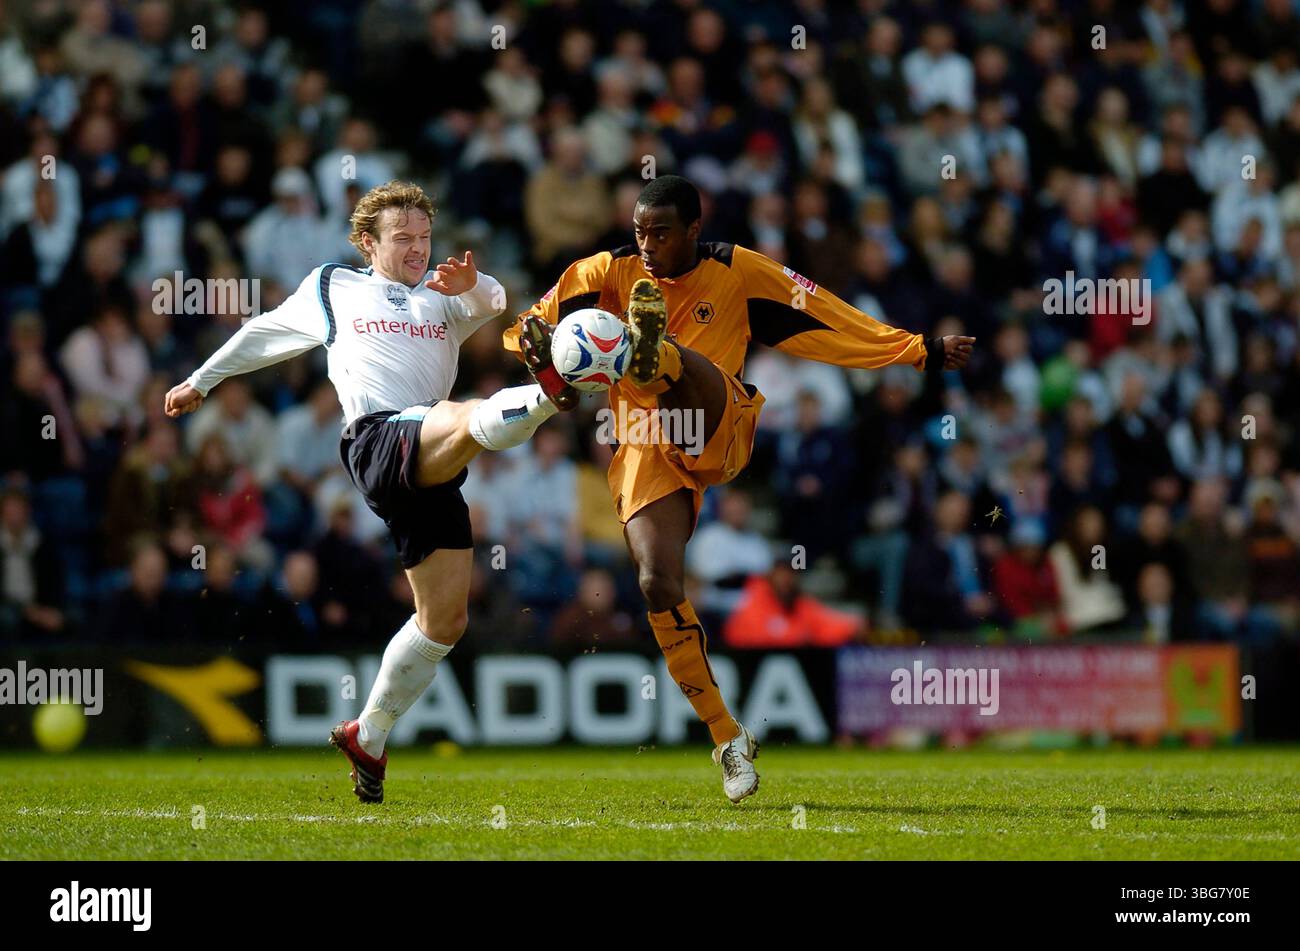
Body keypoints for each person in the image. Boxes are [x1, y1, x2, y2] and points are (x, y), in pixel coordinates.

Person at [506, 175, 974, 802]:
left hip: (715, 422)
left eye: (662, 233)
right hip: (645, 441)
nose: (647, 245)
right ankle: (728, 739)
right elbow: (531, 331)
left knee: (682, 369)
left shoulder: (736, 270)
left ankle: (657, 355)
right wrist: (539, 361)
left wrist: (917, 350)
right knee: (655, 582)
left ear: (695, 230)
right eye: (640, 231)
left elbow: (826, 315)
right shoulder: (601, 272)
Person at [165, 181, 565, 803]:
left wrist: (475, 289)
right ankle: (554, 391)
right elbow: (263, 333)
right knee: (463, 418)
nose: (417, 248)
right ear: (366, 242)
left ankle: (368, 735)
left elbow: (495, 299)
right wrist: (201, 380)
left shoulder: (440, 295)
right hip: (379, 440)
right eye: (402, 238)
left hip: (429, 461)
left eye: (424, 237)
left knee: (444, 622)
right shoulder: (334, 285)